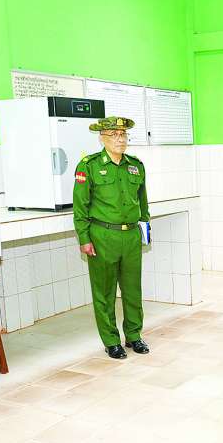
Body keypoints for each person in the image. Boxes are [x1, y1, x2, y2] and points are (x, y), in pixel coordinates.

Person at [74, 116, 150, 360]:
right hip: (103, 236)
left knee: (132, 290)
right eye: (114, 135)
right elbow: (80, 207)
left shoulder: (136, 165)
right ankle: (111, 340)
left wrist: (145, 231)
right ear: (102, 138)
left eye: (123, 134)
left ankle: (134, 336)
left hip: (131, 236)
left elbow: (143, 203)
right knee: (104, 292)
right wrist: (84, 238)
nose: (120, 139)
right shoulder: (89, 166)